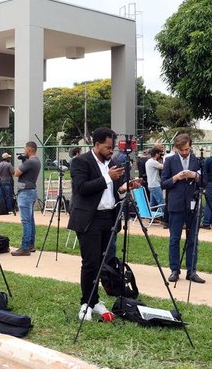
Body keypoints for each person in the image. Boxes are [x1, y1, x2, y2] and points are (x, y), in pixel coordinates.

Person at [68, 127, 136, 321]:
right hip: (90, 219)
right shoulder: (81, 162)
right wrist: (108, 177)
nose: (111, 151)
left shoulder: (111, 164)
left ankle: (95, 300)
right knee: (90, 263)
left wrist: (124, 188)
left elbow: (111, 192)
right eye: (108, 147)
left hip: (109, 217)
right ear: (96, 145)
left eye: (112, 147)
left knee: (101, 263)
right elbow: (81, 188)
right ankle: (86, 303)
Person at [161, 133, 205, 284]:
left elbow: (205, 182)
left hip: (193, 203)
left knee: (193, 239)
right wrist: (176, 178)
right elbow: (163, 183)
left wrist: (195, 175)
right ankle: (174, 270)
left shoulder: (197, 161)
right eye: (182, 150)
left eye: (187, 149)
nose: (185, 152)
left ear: (190, 147)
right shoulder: (170, 161)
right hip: (176, 204)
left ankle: (192, 271)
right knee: (175, 239)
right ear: (176, 148)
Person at [11, 141, 42, 256]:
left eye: (25, 149)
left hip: (25, 192)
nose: (24, 151)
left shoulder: (29, 162)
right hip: (31, 191)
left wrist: (23, 163)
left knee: (26, 221)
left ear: (29, 149)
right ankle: (30, 245)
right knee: (30, 220)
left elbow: (16, 173)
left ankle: (25, 247)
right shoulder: (36, 161)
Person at [145, 147, 165, 211]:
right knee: (161, 202)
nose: (160, 155)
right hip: (155, 185)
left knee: (153, 204)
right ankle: (163, 215)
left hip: (151, 185)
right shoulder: (153, 162)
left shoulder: (149, 161)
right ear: (156, 154)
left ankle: (152, 215)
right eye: (159, 154)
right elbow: (163, 167)